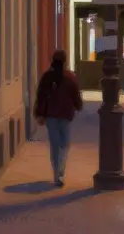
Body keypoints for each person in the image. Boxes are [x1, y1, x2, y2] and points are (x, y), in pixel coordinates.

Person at [33, 50, 83, 187]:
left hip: (51, 115)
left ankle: (57, 172)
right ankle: (60, 172)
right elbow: (75, 94)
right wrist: (78, 106)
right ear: (65, 61)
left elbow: (41, 96)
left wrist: (40, 113)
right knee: (64, 144)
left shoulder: (47, 77)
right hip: (65, 114)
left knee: (55, 144)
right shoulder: (70, 77)